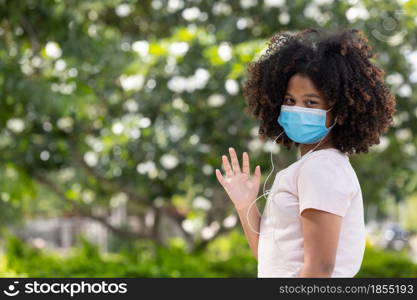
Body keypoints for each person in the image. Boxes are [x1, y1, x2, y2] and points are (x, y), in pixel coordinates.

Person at [215, 28, 396, 277]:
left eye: (311, 102)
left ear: (339, 111)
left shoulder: (321, 168)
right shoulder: (312, 166)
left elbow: (319, 270)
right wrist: (245, 204)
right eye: (289, 100)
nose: (297, 109)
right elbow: (272, 260)